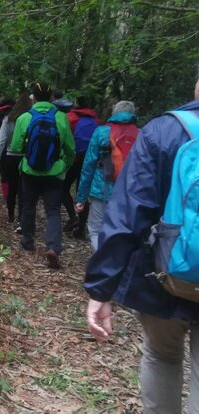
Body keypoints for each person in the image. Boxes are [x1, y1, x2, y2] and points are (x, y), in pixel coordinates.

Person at [85, 79, 199, 413]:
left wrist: (101, 288)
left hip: (164, 274)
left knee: (162, 355)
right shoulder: (144, 130)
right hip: (164, 273)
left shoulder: (165, 130)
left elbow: (129, 213)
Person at [10, 82, 75, 269]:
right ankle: (53, 247)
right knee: (53, 210)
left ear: (33, 98)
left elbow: (15, 147)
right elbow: (70, 148)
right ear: (52, 98)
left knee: (28, 205)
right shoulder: (61, 117)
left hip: (30, 171)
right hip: (54, 172)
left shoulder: (25, 117)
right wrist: (65, 165)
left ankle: (27, 242)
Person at [74, 101, 138, 251]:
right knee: (120, 230)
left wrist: (81, 198)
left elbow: (88, 165)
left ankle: (102, 259)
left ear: (114, 113)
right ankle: (116, 260)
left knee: (96, 230)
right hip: (129, 192)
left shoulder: (101, 132)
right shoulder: (140, 134)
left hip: (102, 189)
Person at [63, 97, 101, 239]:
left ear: (76, 104)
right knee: (82, 192)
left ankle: (73, 217)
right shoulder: (95, 120)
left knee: (63, 188)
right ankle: (81, 228)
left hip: (75, 159)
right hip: (90, 159)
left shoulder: (70, 117)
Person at [0, 92, 32, 227]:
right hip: (26, 157)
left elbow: (1, 140)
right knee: (23, 189)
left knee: (12, 188)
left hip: (10, 157)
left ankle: (11, 216)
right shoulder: (31, 118)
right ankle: (21, 219)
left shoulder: (8, 119)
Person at [0, 97, 15, 196]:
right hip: (20, 151)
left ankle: (6, 195)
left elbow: (0, 139)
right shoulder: (22, 116)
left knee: (5, 173)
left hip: (5, 150)